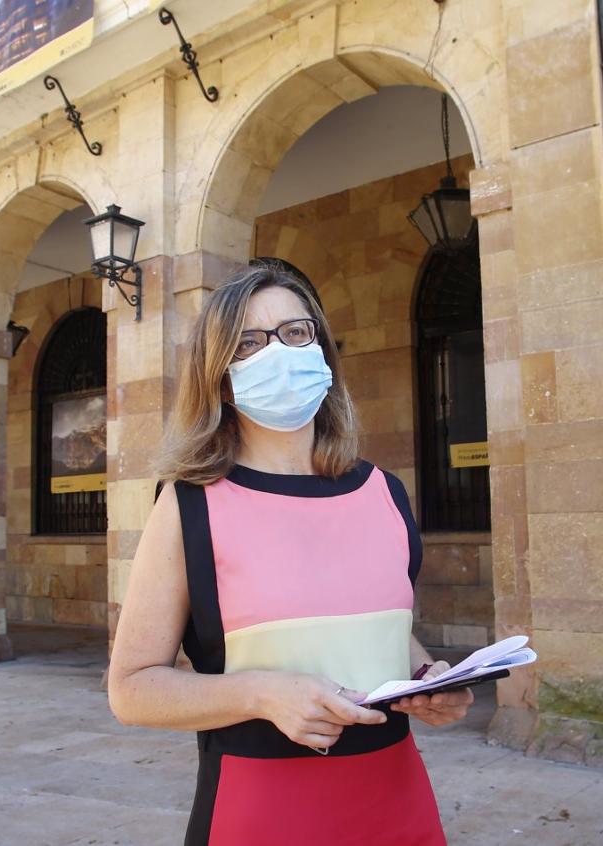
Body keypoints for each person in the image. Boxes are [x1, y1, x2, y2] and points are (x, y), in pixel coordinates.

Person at [107, 264, 473, 845]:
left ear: (323, 352)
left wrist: (427, 678)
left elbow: (380, 631)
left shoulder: (384, 492)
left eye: (296, 333)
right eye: (249, 343)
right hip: (261, 809)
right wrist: (262, 693)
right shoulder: (189, 504)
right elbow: (131, 689)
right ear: (221, 379)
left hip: (397, 799)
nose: (278, 352)